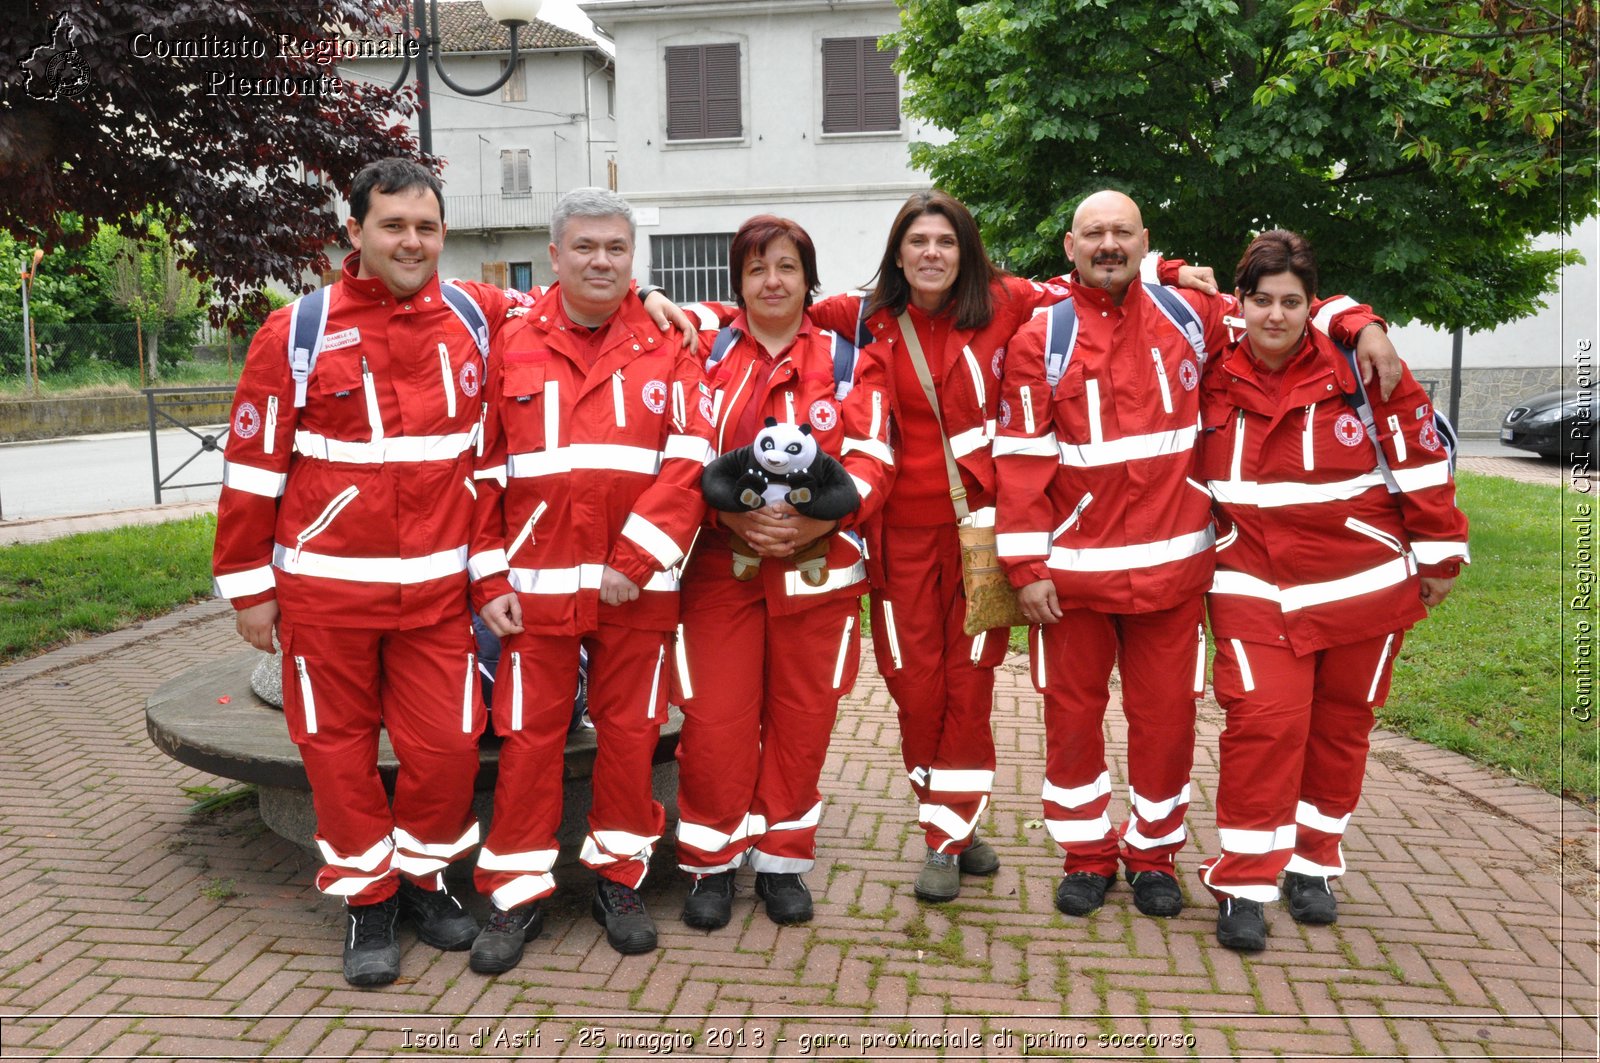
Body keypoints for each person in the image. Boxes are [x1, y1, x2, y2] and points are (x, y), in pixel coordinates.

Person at [992, 190, 1401, 922]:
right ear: (1069, 245)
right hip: (1071, 580)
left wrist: (1359, 319)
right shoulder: (1040, 335)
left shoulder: (1193, 316)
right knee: (1071, 720)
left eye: (1122, 231)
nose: (1108, 243)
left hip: (1174, 574)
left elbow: (1283, 311)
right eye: (1095, 233)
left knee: (1165, 723)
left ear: (1145, 241)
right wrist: (1025, 567)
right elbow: (1022, 459)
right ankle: (1087, 853)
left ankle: (1153, 853)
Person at [212, 158, 521, 987]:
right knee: (338, 757)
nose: (411, 241)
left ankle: (423, 875)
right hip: (324, 599)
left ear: (443, 234)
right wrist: (249, 587)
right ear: (354, 232)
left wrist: (655, 302)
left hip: (438, 598)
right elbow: (251, 470)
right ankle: (368, 901)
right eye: (393, 225)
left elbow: (577, 303)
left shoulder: (476, 314)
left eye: (425, 226)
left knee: (450, 749)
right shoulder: (295, 332)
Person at [1193, 230, 1468, 951]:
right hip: (1254, 582)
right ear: (1240, 304)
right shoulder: (1213, 359)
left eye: (1292, 302)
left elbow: (1421, 460)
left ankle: (1313, 862)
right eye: (1261, 300)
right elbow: (1159, 280)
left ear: (1311, 306)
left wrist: (1440, 553)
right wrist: (1357, 312)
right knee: (1264, 723)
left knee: (1341, 727)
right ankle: (1245, 881)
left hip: (1364, 586)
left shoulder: (1362, 366)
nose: (1275, 315)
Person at [467, 187, 715, 970]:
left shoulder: (672, 346)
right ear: (554, 254)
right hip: (533, 590)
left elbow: (691, 460)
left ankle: (620, 878)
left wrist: (634, 560)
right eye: (584, 247)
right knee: (528, 739)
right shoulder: (509, 341)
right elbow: (481, 472)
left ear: (632, 259)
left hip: (634, 591)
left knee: (631, 735)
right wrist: (488, 579)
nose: (600, 260)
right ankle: (515, 894)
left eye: (615, 248)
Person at [672, 215, 894, 930]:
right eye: (757, 267)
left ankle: (782, 861)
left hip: (818, 574)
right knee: (714, 721)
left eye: (787, 267)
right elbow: (680, 454)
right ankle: (711, 862)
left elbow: (872, 456)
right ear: (737, 280)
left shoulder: (850, 356)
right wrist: (726, 518)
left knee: (803, 720)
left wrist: (823, 519)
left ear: (808, 278)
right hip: (719, 573)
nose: (772, 280)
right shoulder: (703, 350)